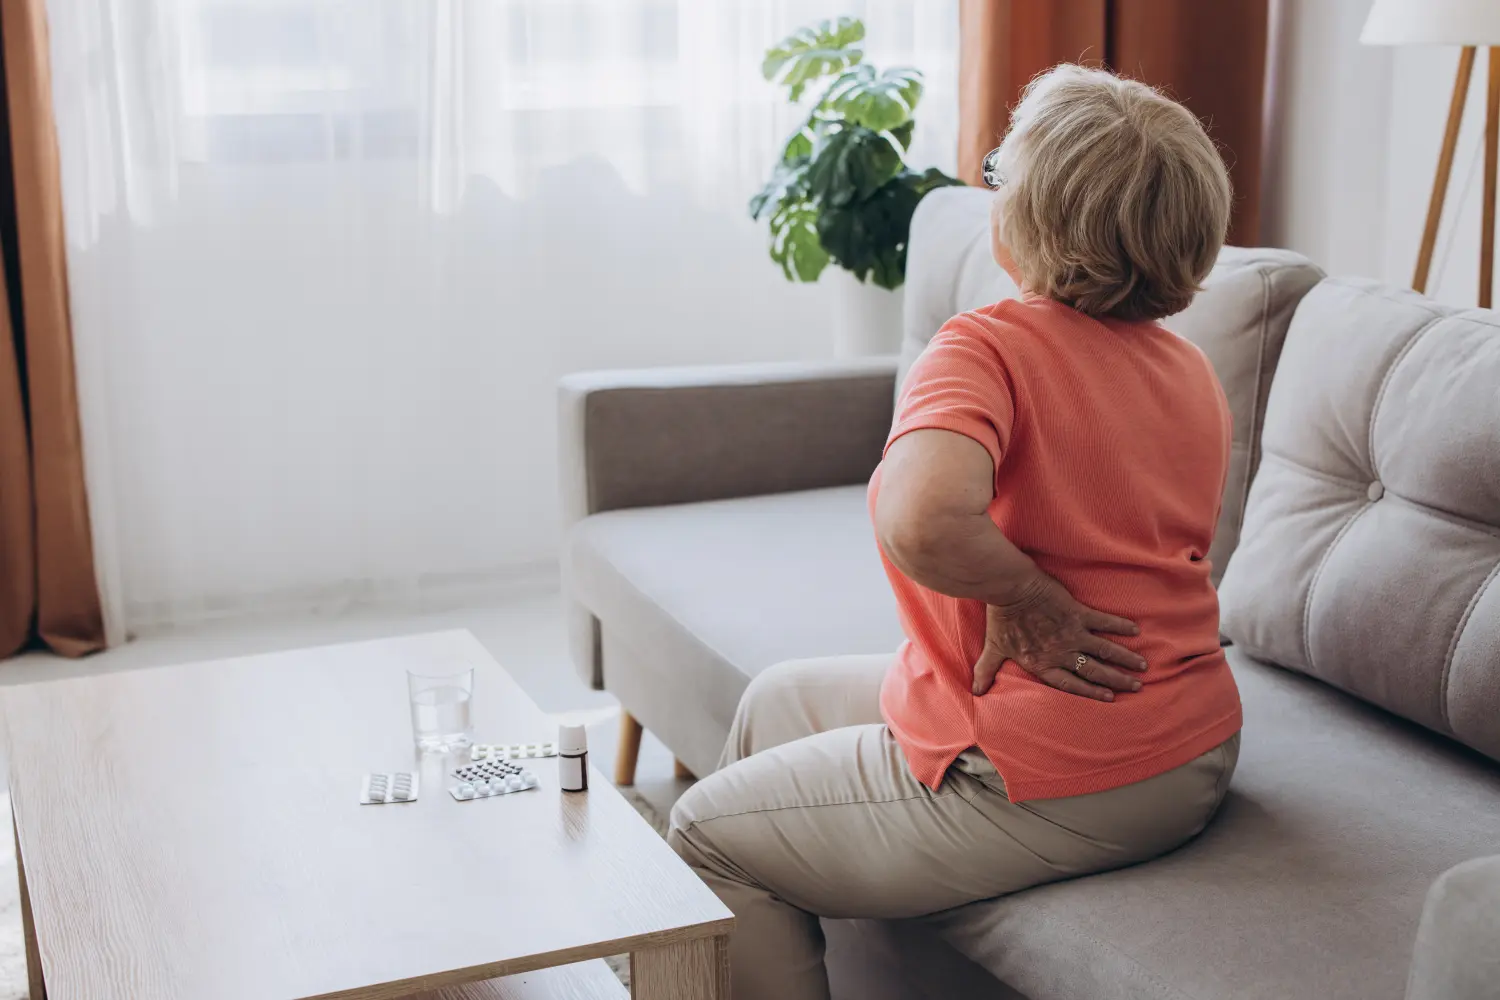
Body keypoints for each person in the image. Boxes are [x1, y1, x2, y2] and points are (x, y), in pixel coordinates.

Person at [667, 63, 1243, 1000]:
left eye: (997, 175)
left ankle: (749, 905)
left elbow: (923, 515)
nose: (990, 192)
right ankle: (775, 938)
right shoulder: (1187, 369)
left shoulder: (987, 346)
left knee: (705, 837)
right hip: (1190, 746)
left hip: (1061, 767)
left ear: (1036, 219)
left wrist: (1023, 596)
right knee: (778, 699)